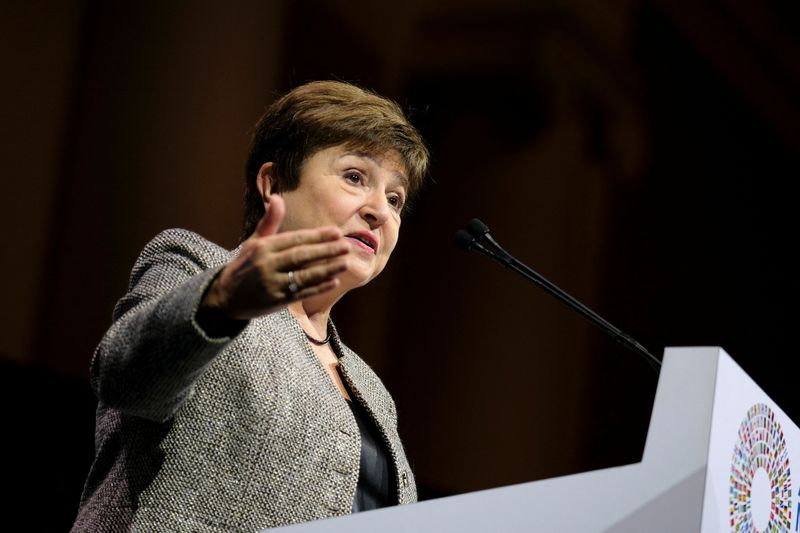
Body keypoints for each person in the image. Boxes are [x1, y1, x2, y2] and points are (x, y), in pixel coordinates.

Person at [71, 80, 429, 532]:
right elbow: (126, 378)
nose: (380, 209)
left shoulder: (374, 393)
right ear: (274, 183)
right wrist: (222, 302)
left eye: (395, 199)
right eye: (355, 177)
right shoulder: (197, 268)